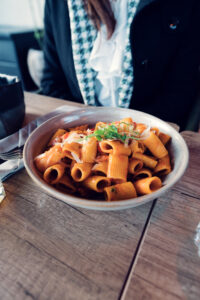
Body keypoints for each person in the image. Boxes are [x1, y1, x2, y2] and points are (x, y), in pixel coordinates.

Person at [41, 0, 200, 130]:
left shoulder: (186, 4)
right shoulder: (58, 4)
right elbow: (52, 82)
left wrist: (123, 133)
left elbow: (181, 91)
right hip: (77, 133)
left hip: (151, 132)